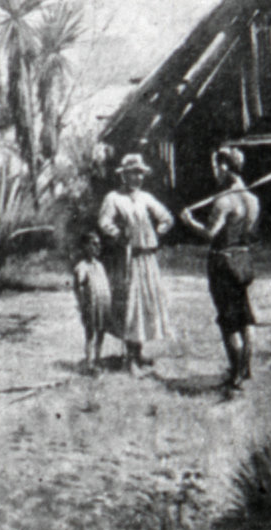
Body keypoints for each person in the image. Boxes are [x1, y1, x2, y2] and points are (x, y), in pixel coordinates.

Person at [178, 147, 260, 393]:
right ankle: (246, 369)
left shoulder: (224, 200)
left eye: (216, 166)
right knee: (245, 315)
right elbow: (250, 233)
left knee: (229, 321)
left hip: (222, 262)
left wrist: (189, 221)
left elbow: (210, 234)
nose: (215, 172)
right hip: (242, 258)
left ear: (225, 167)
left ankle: (235, 375)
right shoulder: (252, 200)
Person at [98, 153, 174, 372]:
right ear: (124, 175)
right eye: (133, 173)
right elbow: (104, 222)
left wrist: (159, 230)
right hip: (127, 258)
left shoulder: (146, 198)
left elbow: (166, 217)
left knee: (144, 305)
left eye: (140, 174)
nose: (137, 178)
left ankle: (138, 353)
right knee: (130, 305)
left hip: (147, 257)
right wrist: (118, 234)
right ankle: (129, 358)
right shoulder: (113, 198)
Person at [72, 231, 113, 374]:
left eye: (98, 244)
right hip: (90, 305)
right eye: (93, 244)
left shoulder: (100, 266)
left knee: (101, 331)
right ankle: (89, 363)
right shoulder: (81, 267)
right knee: (90, 333)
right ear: (85, 246)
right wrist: (82, 304)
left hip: (102, 304)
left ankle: (98, 358)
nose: (97, 247)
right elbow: (78, 287)